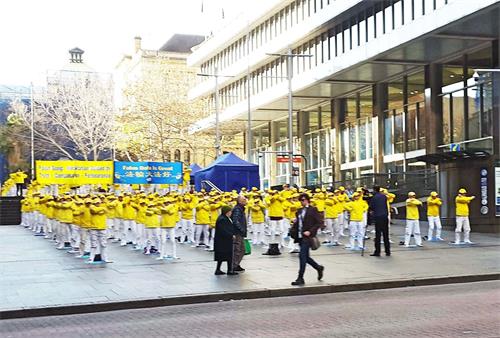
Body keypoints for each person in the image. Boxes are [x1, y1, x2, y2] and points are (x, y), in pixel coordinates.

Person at [290, 193, 324, 286]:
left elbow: (319, 223)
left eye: (303, 200)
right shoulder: (299, 211)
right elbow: (299, 223)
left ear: (308, 200)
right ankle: (318, 267)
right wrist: (295, 222)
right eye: (300, 200)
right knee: (306, 257)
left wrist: (310, 231)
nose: (302, 202)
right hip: (300, 236)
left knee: (302, 256)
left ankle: (300, 278)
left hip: (308, 237)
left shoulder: (313, 210)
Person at [214, 206, 237, 275]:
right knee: (228, 255)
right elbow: (223, 230)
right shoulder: (222, 219)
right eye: (230, 211)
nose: (231, 213)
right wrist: (231, 235)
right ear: (227, 212)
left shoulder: (224, 218)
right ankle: (229, 270)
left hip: (223, 241)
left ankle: (219, 269)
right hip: (223, 241)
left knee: (222, 256)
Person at [369, 186, 390, 256]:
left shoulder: (374, 198)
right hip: (384, 216)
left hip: (378, 217)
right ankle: (387, 251)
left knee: (378, 235)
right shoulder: (384, 196)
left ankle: (377, 251)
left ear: (374, 190)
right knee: (385, 234)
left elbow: (371, 207)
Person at [231, 195, 248, 272]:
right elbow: (235, 221)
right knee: (238, 249)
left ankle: (236, 264)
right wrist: (241, 229)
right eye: (244, 200)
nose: (246, 201)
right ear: (240, 201)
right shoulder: (237, 209)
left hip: (239, 232)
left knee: (241, 249)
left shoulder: (240, 209)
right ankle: (234, 265)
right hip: (237, 232)